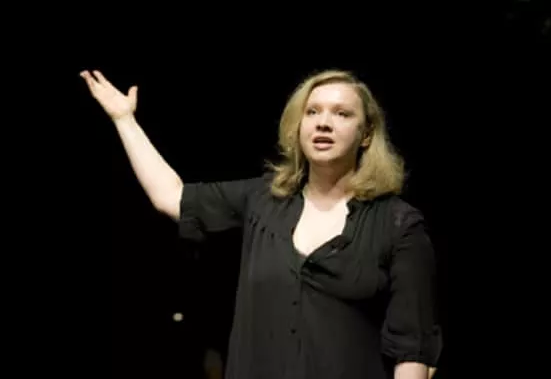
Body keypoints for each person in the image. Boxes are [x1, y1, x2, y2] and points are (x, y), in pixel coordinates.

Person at [82, 68, 443, 379]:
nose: (323, 122)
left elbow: (412, 349)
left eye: (342, 113)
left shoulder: (398, 223)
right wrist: (124, 120)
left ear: (366, 134)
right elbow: (171, 196)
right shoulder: (263, 200)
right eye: (312, 111)